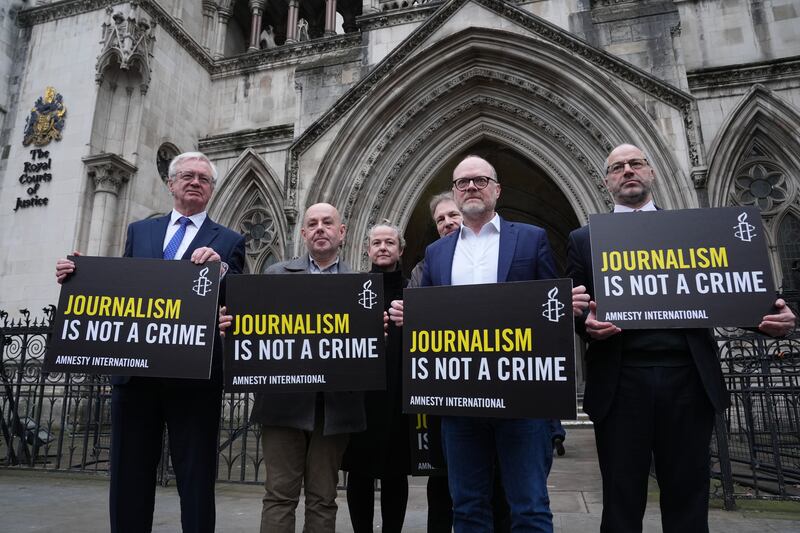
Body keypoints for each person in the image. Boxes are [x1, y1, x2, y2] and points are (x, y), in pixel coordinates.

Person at [566, 143, 796, 533]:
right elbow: (578, 308)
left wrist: (770, 318)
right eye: (618, 167)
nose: (628, 171)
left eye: (636, 164)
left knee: (688, 498)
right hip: (621, 385)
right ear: (606, 182)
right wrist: (584, 321)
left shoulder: (695, 231)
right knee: (621, 502)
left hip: (688, 378)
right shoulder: (584, 239)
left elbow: (730, 288)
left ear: (651, 172)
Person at [389, 156, 588, 532]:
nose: (471, 188)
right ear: (454, 193)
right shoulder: (437, 254)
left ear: (496, 189)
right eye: (462, 183)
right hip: (461, 402)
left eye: (480, 180)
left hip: (522, 402)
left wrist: (569, 308)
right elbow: (427, 320)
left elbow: (551, 311)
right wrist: (409, 315)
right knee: (467, 507)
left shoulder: (531, 239)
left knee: (529, 507)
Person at [55, 151, 246, 533]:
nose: (195, 182)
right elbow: (123, 285)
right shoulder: (140, 232)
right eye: (187, 176)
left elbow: (237, 298)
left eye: (203, 179)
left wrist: (220, 269)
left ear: (211, 190)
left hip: (194, 379)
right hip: (135, 377)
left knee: (195, 479)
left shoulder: (229, 240)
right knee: (129, 475)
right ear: (171, 184)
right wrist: (79, 274)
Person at [221, 202, 366, 533]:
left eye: (327, 222)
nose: (319, 228)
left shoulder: (360, 286)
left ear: (341, 232)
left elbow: (368, 350)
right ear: (303, 234)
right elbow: (253, 331)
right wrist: (232, 325)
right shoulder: (275, 275)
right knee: (279, 496)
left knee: (323, 498)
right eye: (312, 223)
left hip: (334, 408)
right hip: (282, 404)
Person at [342, 222, 410, 533]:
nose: (383, 247)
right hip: (361, 398)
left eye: (390, 243)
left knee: (396, 473)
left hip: (398, 395)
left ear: (400, 249)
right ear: (367, 249)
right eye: (377, 243)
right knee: (360, 473)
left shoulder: (414, 291)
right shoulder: (352, 290)